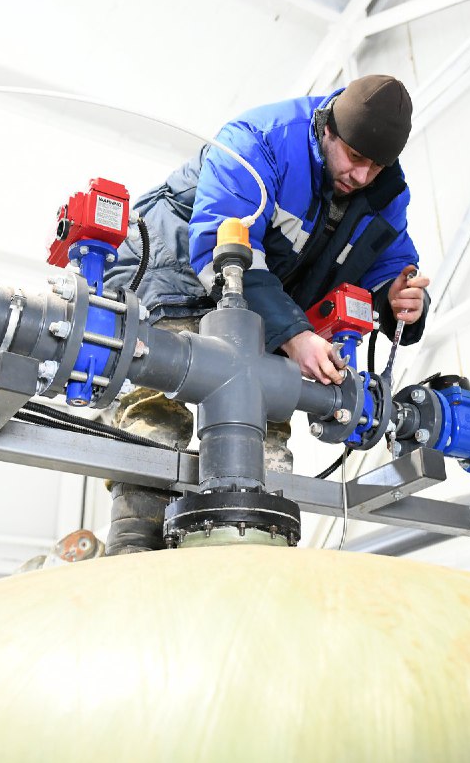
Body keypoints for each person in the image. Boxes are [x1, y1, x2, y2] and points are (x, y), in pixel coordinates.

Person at [101, 74, 431, 554]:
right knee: (160, 396)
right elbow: (221, 245)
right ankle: (135, 540)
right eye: (356, 158)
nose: (362, 177)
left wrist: (400, 300)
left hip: (265, 302)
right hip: (174, 273)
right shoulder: (260, 141)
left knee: (267, 415)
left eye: (376, 167)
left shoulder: (385, 194)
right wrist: (295, 335)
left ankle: (259, 554)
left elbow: (388, 266)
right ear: (327, 130)